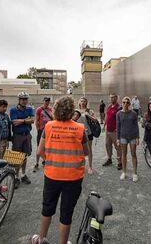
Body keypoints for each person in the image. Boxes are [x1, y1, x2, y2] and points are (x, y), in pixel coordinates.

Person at [32, 96, 88, 244]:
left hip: (52, 175)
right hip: (73, 178)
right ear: (72, 110)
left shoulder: (49, 126)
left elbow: (39, 151)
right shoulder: (80, 128)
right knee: (66, 212)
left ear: (55, 109)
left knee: (47, 207)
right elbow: (86, 152)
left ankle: (41, 238)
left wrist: (49, 159)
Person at [10, 92, 35, 188]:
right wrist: (26, 120)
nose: (24, 101)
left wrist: (22, 120)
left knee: (25, 156)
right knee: (16, 157)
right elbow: (14, 122)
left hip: (27, 135)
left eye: (26, 99)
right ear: (19, 100)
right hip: (17, 136)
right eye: (22, 99)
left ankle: (23, 174)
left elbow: (32, 120)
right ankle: (16, 176)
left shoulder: (29, 109)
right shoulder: (13, 110)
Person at [116, 97, 139, 181]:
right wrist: (117, 138)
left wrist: (137, 137)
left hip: (132, 136)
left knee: (133, 154)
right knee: (123, 154)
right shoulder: (118, 114)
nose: (125, 104)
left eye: (127, 102)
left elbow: (136, 126)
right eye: (124, 102)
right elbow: (118, 126)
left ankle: (135, 173)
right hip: (123, 136)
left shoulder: (133, 113)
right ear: (121, 103)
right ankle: (124, 172)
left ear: (129, 104)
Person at [77, 97, 97, 174]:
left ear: (86, 102)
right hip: (78, 133)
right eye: (81, 101)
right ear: (79, 102)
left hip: (88, 133)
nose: (83, 102)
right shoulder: (76, 111)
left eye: (84, 101)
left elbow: (95, 120)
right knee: (79, 150)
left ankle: (90, 167)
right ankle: (81, 166)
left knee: (89, 150)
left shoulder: (90, 111)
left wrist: (88, 115)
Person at [102, 93, 122, 169]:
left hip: (115, 130)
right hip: (108, 130)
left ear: (116, 98)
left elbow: (120, 119)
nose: (111, 99)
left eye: (113, 97)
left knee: (117, 146)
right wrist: (104, 125)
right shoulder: (109, 107)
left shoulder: (119, 107)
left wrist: (118, 128)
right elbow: (107, 116)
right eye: (110, 98)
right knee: (107, 145)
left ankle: (120, 162)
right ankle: (109, 159)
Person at [34, 97, 53, 172]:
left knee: (47, 146)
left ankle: (45, 160)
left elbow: (53, 118)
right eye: (46, 101)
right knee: (39, 146)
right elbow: (37, 119)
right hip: (41, 130)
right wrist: (38, 129)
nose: (47, 102)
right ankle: (36, 162)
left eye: (48, 101)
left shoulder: (50, 109)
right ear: (43, 101)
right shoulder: (39, 109)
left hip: (48, 130)